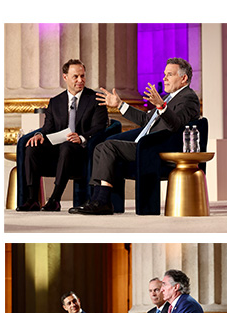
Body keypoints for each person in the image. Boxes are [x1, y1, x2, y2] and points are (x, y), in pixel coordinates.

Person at [71, 57, 202, 215]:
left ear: (184, 78)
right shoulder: (170, 97)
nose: (164, 79)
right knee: (101, 147)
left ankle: (102, 201)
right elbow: (145, 120)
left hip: (159, 148)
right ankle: (97, 199)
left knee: (108, 146)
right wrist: (120, 104)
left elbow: (176, 124)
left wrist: (161, 106)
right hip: (146, 145)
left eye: (169, 75)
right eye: (164, 74)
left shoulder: (188, 98)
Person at [18, 59, 108, 212]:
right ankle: (32, 199)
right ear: (65, 77)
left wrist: (82, 137)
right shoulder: (55, 102)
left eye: (82, 76)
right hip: (57, 146)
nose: (80, 80)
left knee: (67, 146)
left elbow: (100, 127)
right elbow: (48, 127)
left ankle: (55, 199)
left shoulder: (95, 99)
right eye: (75, 77)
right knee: (31, 148)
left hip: (82, 149)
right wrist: (39, 134)